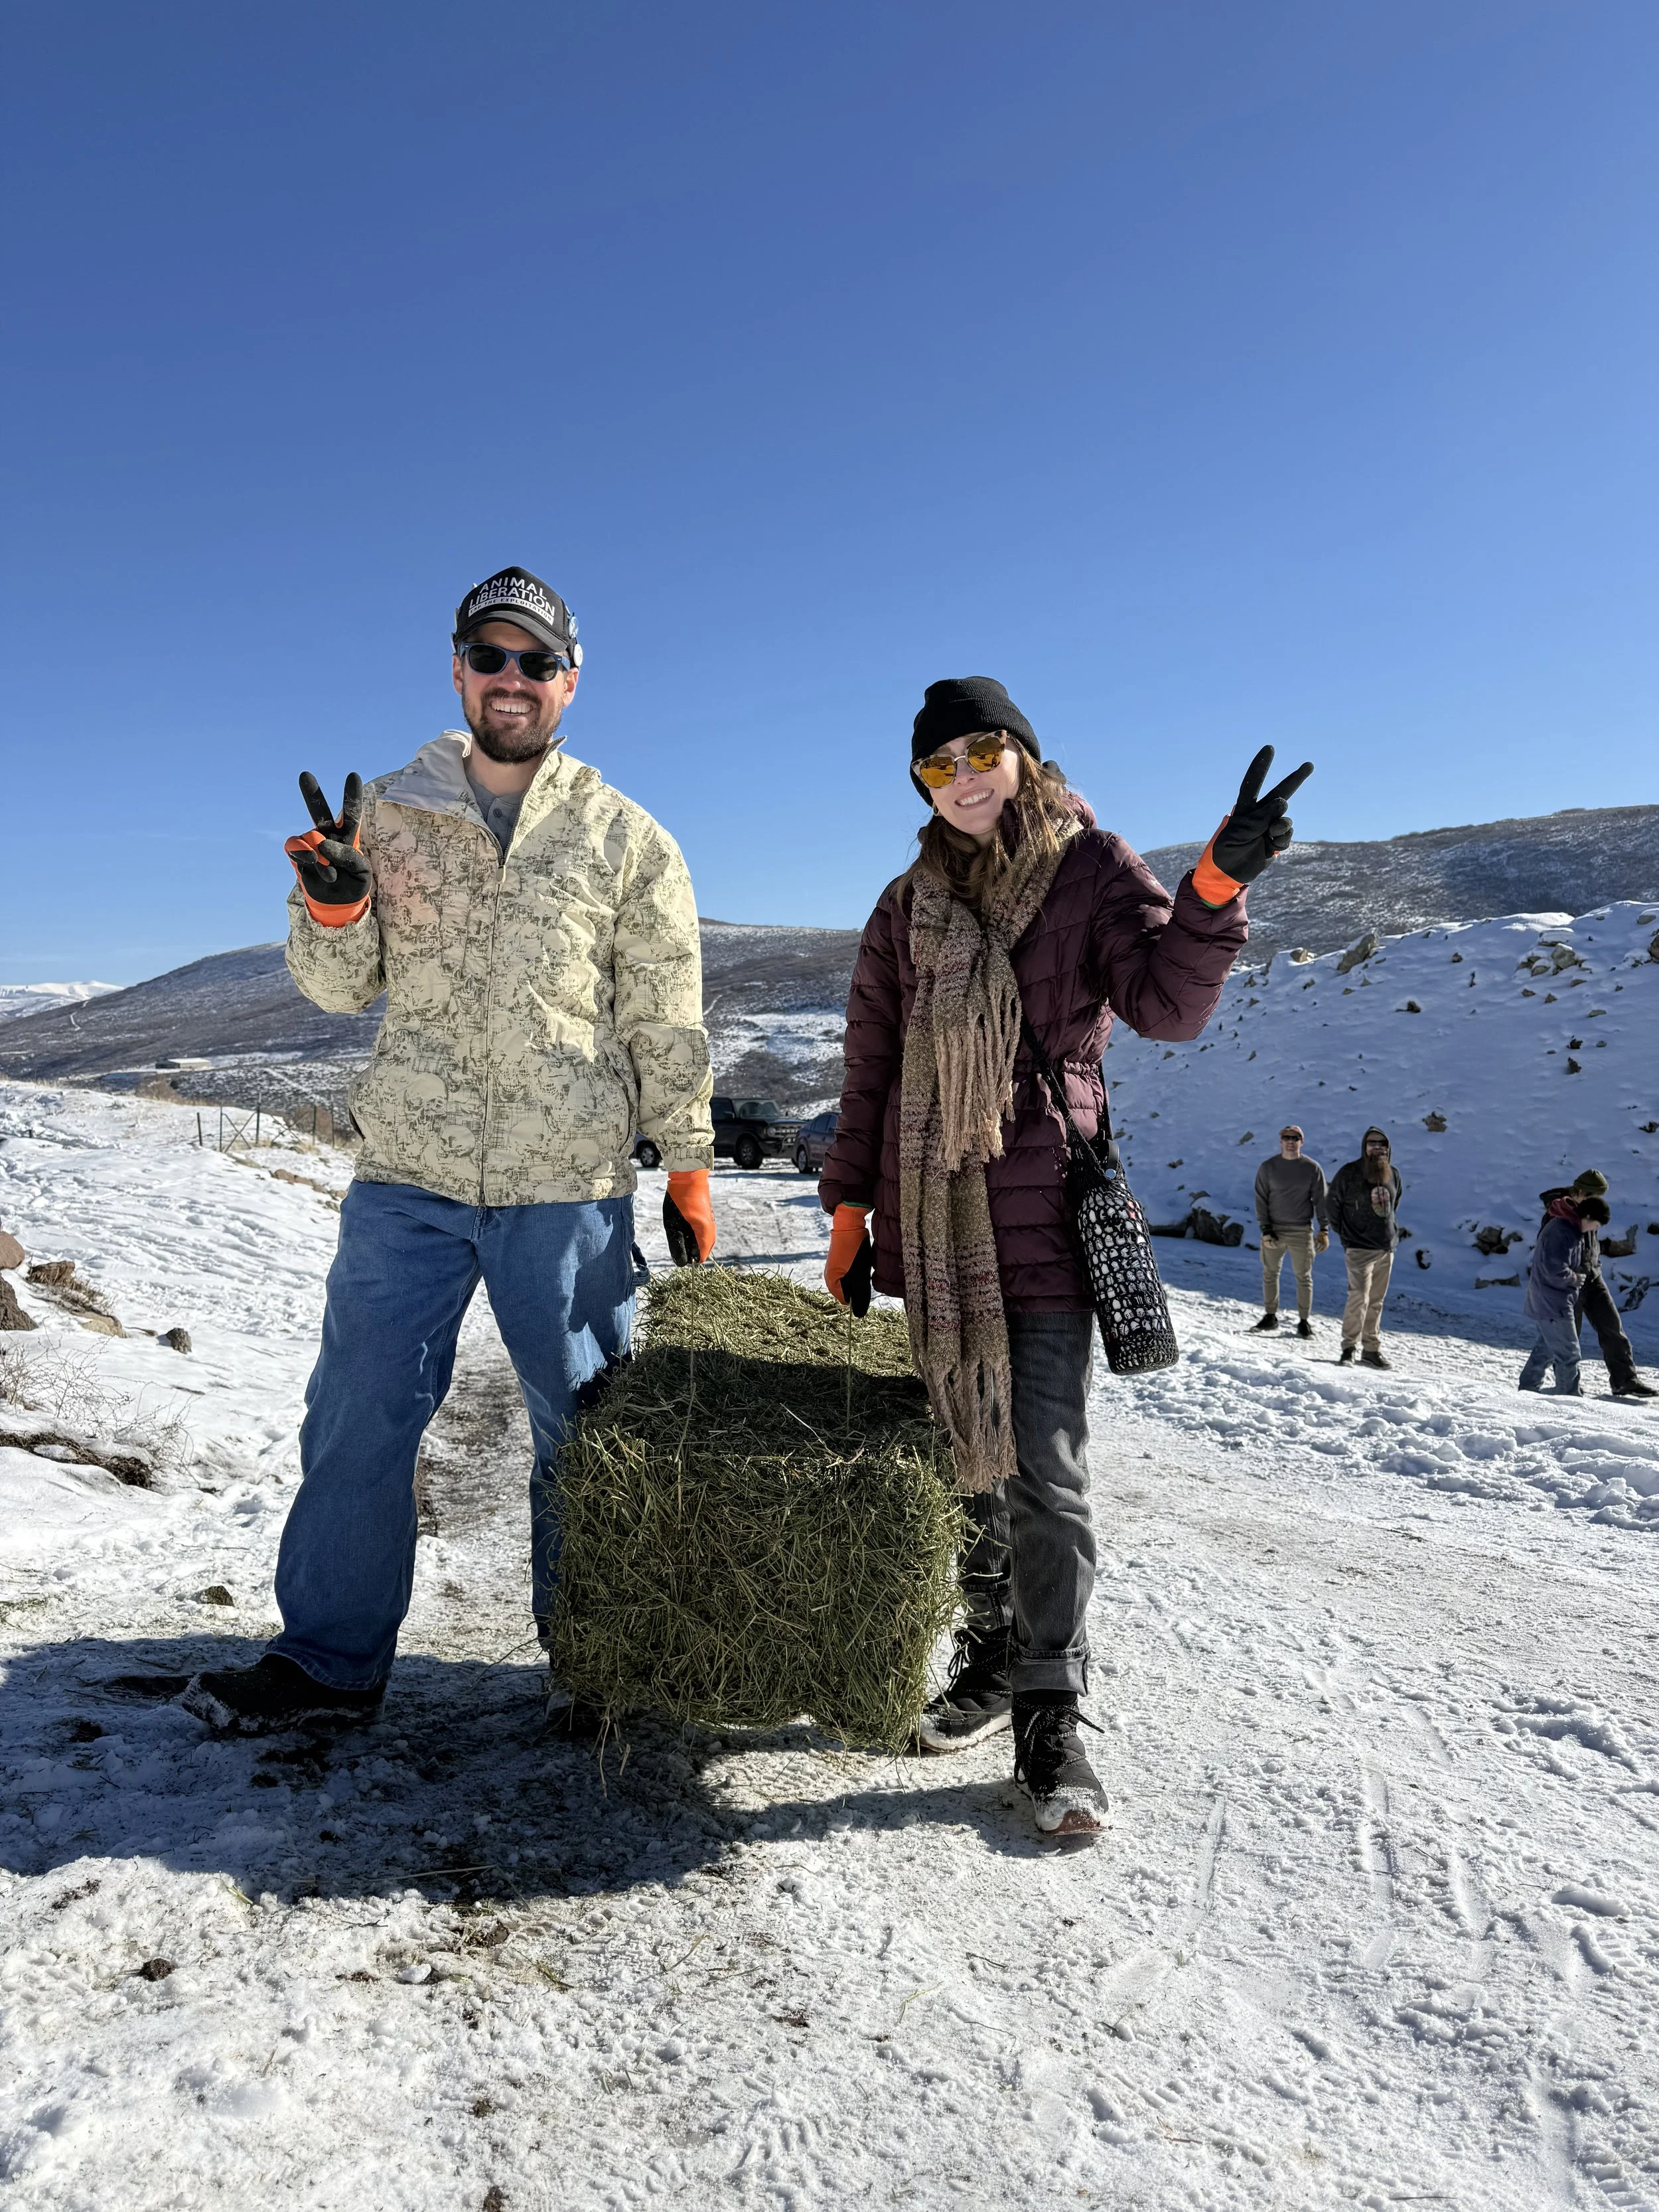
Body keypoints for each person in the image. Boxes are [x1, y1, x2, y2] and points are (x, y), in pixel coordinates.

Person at [188, 566, 716, 1733]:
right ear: (459, 669)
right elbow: (337, 990)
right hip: (408, 1179)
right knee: (358, 1414)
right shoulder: (385, 812)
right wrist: (330, 907)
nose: (512, 679)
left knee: (587, 1429)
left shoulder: (627, 837)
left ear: (572, 679)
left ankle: (597, 1661)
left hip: (564, 1181)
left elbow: (664, 1012)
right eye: (492, 656)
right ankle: (327, 1662)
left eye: (536, 660)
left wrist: (686, 1157)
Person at [817, 676, 1310, 1834]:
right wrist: (849, 1210)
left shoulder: (1089, 868)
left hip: (1042, 1218)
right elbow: (870, 1069)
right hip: (939, 1229)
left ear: (1025, 756)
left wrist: (1215, 890)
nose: (964, 776)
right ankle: (992, 1655)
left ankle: (1050, 1711)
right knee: (969, 1464)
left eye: (982, 749)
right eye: (938, 765)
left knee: (1045, 1470)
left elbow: (1166, 1006)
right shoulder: (907, 907)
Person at [1534, 1171, 1656, 1399]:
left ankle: (1625, 1381)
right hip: (1570, 1283)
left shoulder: (1589, 1207)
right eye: (1594, 1196)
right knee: (1567, 1337)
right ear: (1581, 1192)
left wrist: (1593, 1266)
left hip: (1593, 1277)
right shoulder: (1557, 1214)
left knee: (1612, 1326)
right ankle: (1565, 1388)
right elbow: (1549, 1256)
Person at [1520, 1190, 1613, 1395]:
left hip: (1552, 1300)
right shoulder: (1563, 1231)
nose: (1595, 1230)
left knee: (1545, 1350)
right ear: (1588, 1217)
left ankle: (1527, 1391)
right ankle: (1569, 1400)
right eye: (1596, 1225)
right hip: (1554, 1302)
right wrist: (1575, 1278)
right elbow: (1554, 1269)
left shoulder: (1570, 1227)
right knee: (1569, 1355)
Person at [1329, 1128, 1402, 1368]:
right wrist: (1347, 1236)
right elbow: (1332, 1206)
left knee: (1376, 1301)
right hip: (1358, 1248)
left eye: (1382, 1143)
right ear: (1364, 1146)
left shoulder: (1394, 1174)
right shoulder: (1349, 1173)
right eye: (1372, 1143)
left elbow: (1394, 1204)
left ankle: (1371, 1349)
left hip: (1385, 1248)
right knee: (1358, 1297)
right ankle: (1348, 1348)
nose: (1377, 1147)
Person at [1252, 1124, 1330, 1338]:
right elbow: (1261, 1199)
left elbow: (1321, 1201)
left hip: (1301, 1230)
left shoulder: (1312, 1168)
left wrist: (1324, 1229)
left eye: (1295, 1138)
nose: (1290, 1141)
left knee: (1304, 1276)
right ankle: (1270, 1316)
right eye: (1286, 1137)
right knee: (1270, 1273)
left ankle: (1304, 1321)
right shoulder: (1268, 1167)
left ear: (1301, 1142)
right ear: (1280, 1141)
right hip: (1274, 1229)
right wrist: (1266, 1229)